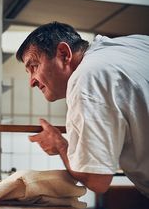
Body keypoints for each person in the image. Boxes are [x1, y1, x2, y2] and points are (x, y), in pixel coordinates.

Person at [16, 21, 149, 196]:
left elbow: (97, 181)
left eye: (34, 67)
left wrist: (60, 145)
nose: (31, 81)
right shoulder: (134, 44)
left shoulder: (86, 79)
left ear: (64, 54)